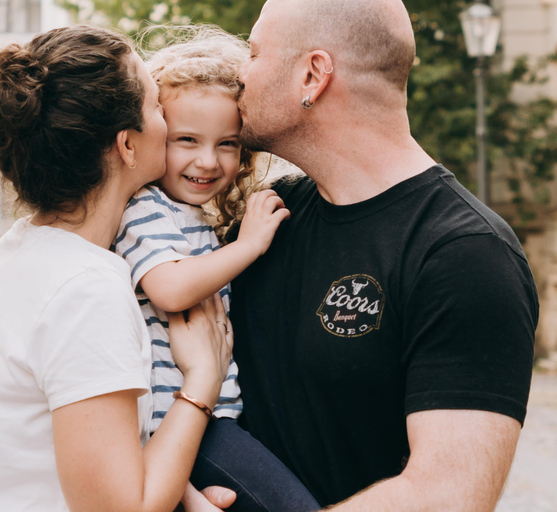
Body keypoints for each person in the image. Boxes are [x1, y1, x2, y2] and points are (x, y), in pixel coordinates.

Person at [196, 0, 538, 511]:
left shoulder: (465, 255)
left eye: (255, 52)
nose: (241, 74)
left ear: (313, 75)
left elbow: (448, 497)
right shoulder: (268, 220)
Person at [0, 25, 234, 512]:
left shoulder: (18, 251)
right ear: (127, 146)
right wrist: (202, 379)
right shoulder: (86, 288)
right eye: (157, 106)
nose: (165, 117)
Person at [114, 27, 319, 512]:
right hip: (185, 424)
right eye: (186, 140)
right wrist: (249, 245)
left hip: (207, 421)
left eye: (228, 144)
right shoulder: (145, 208)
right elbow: (170, 287)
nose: (207, 161)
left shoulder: (190, 217)